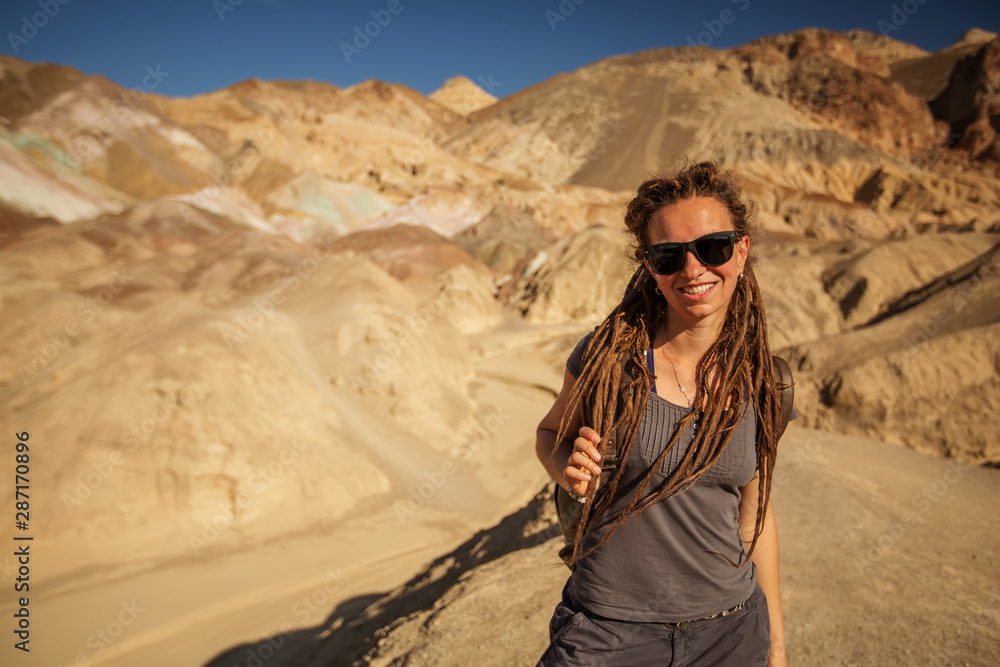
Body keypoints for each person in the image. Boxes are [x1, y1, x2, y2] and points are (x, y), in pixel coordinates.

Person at [535, 161, 788, 666]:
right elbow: (549, 433)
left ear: (741, 251)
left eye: (712, 247)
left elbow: (754, 519)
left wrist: (775, 644)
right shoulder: (606, 360)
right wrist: (563, 464)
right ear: (650, 267)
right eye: (669, 255)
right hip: (607, 634)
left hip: (731, 631)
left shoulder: (763, 379)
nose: (693, 270)